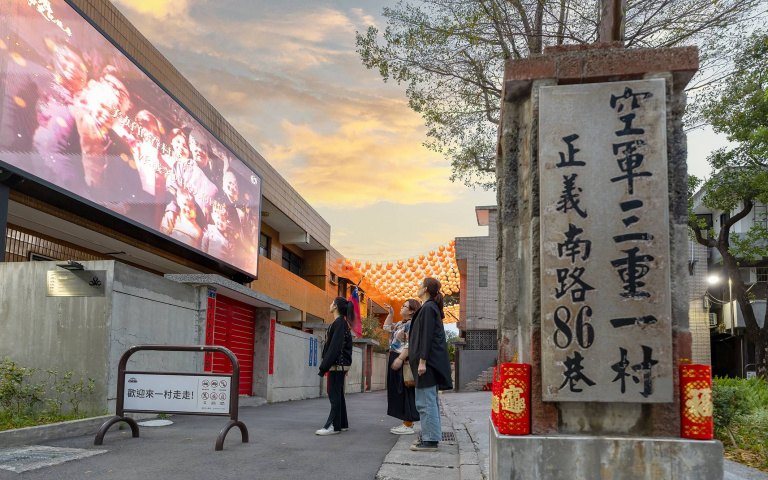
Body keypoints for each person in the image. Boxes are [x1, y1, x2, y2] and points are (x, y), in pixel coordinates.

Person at [409, 277, 453, 452]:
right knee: (428, 401)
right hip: (429, 363)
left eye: (420, 285)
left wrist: (422, 361)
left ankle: (430, 440)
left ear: (425, 288)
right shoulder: (429, 307)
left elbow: (426, 336)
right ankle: (430, 437)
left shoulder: (428, 308)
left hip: (427, 364)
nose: (418, 287)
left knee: (426, 402)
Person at [316, 296, 354, 435]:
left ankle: (332, 426)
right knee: (338, 394)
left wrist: (323, 367)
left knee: (334, 394)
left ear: (336, 306)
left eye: (332, 303)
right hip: (339, 365)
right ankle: (342, 423)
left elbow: (334, 347)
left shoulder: (339, 323)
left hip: (338, 365)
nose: (330, 305)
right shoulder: (341, 323)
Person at [383, 299, 421, 435]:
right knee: (398, 390)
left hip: (402, 358)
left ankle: (408, 424)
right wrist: (391, 314)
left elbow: (411, 344)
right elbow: (386, 328)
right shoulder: (400, 323)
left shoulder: (412, 324)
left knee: (405, 389)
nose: (401, 307)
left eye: (404, 306)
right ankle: (406, 422)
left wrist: (400, 358)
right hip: (395, 356)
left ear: (411, 311)